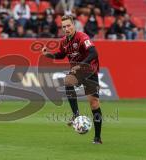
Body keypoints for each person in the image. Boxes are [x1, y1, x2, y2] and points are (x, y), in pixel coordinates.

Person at [41, 15, 102, 144]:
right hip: (77, 71)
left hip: (90, 70)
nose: (66, 28)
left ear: (74, 25)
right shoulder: (64, 41)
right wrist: (49, 54)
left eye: (69, 26)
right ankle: (76, 114)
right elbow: (61, 54)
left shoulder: (82, 37)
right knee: (68, 81)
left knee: (94, 103)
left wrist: (81, 64)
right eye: (64, 27)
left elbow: (94, 53)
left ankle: (97, 137)